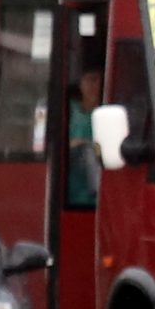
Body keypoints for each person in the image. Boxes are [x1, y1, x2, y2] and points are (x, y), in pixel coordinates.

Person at [66, 70, 102, 210]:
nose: (95, 85)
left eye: (98, 80)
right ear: (80, 82)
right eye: (91, 79)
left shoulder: (107, 113)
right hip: (69, 189)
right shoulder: (69, 109)